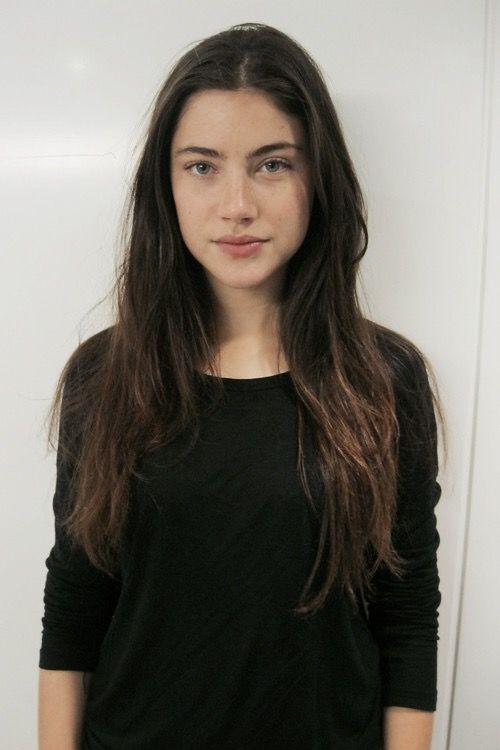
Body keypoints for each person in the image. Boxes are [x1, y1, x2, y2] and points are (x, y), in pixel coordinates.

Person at [38, 21, 443, 750]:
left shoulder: (384, 382)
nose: (236, 205)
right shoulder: (104, 379)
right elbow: (73, 610)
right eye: (202, 166)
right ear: (165, 184)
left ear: (319, 178)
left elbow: (406, 618)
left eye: (271, 164)